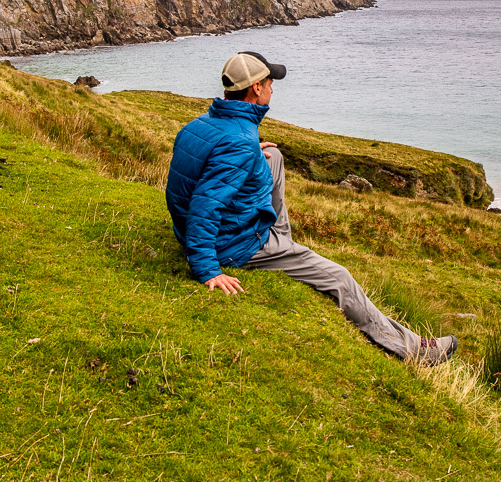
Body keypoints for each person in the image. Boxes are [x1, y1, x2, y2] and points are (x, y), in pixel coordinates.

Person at [165, 51, 457, 365]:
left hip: (220, 227)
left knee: (273, 158)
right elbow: (205, 207)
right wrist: (208, 269)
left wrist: (250, 153)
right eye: (269, 82)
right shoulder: (238, 142)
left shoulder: (205, 123)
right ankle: (414, 350)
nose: (273, 89)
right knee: (340, 277)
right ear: (256, 89)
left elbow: (197, 179)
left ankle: (283, 241)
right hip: (235, 244)